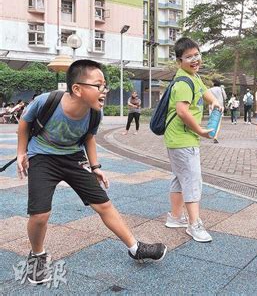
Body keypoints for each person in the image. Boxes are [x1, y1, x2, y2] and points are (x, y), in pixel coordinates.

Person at [16, 59, 167, 285]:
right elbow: (24, 122)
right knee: (40, 215)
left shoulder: (95, 114)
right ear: (77, 89)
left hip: (73, 158)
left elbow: (89, 138)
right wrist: (21, 153)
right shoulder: (47, 101)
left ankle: (135, 248)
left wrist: (95, 167)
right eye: (99, 85)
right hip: (43, 157)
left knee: (103, 204)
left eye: (105, 85)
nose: (105, 90)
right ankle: (37, 255)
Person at [163, 37, 222, 243]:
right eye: (189, 57)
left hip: (178, 138)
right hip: (183, 138)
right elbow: (181, 111)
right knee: (192, 179)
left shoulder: (193, 77)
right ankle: (194, 224)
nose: (195, 59)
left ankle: (175, 217)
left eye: (197, 54)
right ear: (180, 61)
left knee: (180, 177)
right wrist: (200, 130)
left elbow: (206, 93)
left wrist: (214, 101)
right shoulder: (183, 82)